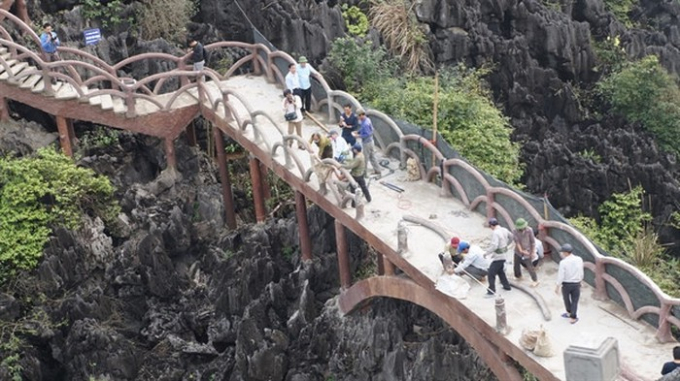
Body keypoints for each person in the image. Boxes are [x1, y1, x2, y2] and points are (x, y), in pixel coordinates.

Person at [483, 217, 514, 297]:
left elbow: (494, 245)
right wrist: (506, 245)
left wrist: (487, 253)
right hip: (504, 253)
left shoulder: (495, 233)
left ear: (491, 226)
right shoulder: (504, 229)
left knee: (491, 273)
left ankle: (491, 291)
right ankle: (506, 286)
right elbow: (511, 237)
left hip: (498, 256)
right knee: (500, 271)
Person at [555, 243, 584, 324]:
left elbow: (561, 275)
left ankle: (569, 312)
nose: (562, 253)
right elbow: (581, 271)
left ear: (566, 253)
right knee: (575, 300)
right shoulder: (579, 259)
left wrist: (557, 286)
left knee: (566, 299)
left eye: (562, 252)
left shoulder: (563, 262)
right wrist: (580, 280)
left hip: (566, 284)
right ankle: (573, 317)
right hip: (576, 283)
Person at [353, 109, 382, 178]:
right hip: (371, 142)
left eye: (358, 116)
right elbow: (369, 130)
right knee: (372, 157)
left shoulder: (365, 124)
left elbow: (368, 134)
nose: (358, 118)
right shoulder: (367, 120)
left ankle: (364, 174)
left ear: (361, 115)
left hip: (367, 143)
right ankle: (378, 170)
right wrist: (358, 131)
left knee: (365, 158)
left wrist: (358, 136)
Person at [513, 218, 539, 287]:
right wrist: (521, 250)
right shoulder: (515, 231)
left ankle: (535, 280)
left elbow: (533, 242)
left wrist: (532, 252)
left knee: (530, 266)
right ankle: (518, 276)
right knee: (516, 264)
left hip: (528, 250)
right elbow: (517, 242)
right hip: (518, 250)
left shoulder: (529, 230)